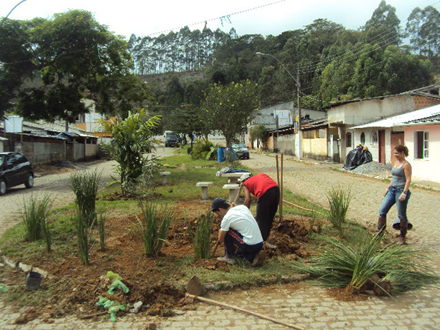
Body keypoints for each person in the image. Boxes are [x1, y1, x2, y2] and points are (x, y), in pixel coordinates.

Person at [210, 198, 265, 266]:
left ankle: (229, 257)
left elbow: (220, 239)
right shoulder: (243, 207)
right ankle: (253, 257)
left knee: (227, 231)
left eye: (217, 213)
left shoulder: (227, 218)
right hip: (259, 243)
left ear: (220, 209)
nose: (218, 215)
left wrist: (220, 232)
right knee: (239, 254)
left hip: (249, 245)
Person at [377, 145, 412, 244]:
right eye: (394, 153)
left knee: (401, 214)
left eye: (396, 153)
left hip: (400, 191)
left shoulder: (406, 165)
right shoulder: (396, 163)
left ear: (402, 153)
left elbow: (408, 179)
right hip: (392, 190)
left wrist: (404, 193)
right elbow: (394, 178)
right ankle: (379, 234)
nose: (395, 155)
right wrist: (388, 188)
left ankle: (402, 237)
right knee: (382, 210)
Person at [239, 173, 280, 241]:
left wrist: (244, 212)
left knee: (260, 220)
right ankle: (264, 240)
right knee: (269, 218)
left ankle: (259, 241)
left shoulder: (245, 183)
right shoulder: (261, 175)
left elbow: (248, 199)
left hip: (265, 193)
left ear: (243, 180)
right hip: (276, 190)